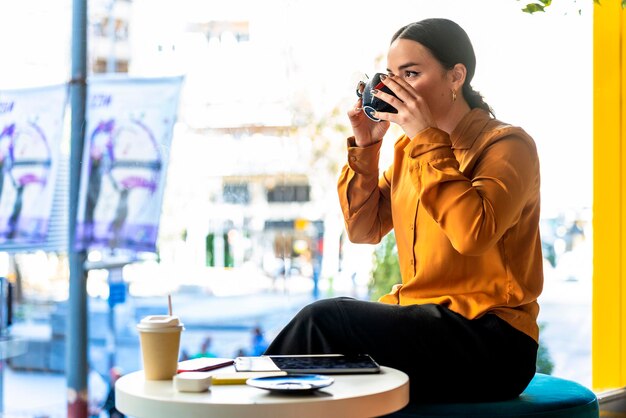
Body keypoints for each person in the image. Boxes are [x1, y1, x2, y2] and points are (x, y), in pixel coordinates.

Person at [265, 18, 543, 403]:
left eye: (411, 74)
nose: (396, 88)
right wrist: (366, 148)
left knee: (324, 320)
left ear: (455, 76)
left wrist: (427, 140)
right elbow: (363, 230)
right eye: (391, 76)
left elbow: (472, 234)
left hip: (493, 341)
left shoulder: (507, 145)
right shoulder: (407, 151)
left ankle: (240, 401)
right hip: (425, 328)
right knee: (324, 377)